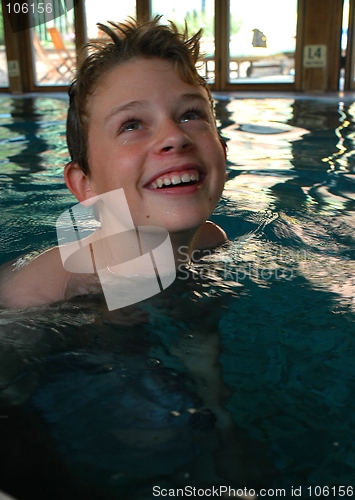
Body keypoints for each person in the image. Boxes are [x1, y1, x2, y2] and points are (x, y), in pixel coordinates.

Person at [0, 17, 227, 310]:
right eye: (131, 125)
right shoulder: (37, 291)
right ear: (85, 184)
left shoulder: (211, 241)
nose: (175, 136)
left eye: (190, 115)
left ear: (222, 150)